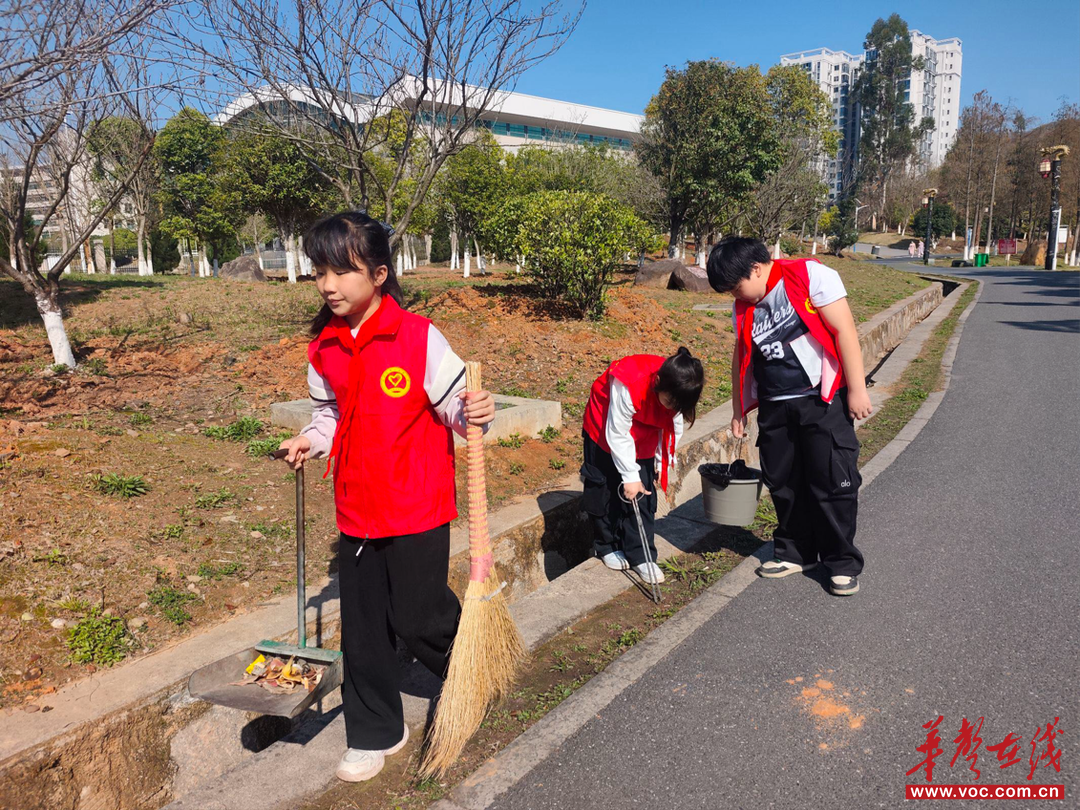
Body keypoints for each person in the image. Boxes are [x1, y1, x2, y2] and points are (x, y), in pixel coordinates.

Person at [276, 211, 496, 782]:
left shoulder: (418, 337)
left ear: (378, 275)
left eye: (341, 271)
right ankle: (375, 730)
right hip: (357, 507)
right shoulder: (323, 348)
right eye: (319, 272)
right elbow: (331, 415)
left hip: (417, 502)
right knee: (365, 626)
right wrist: (308, 440)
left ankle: (470, 671)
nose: (328, 285)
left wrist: (473, 411)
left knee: (419, 615)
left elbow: (454, 407)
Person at [705, 237, 872, 597]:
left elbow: (844, 329)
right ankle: (796, 553)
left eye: (735, 287)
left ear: (756, 268)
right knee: (783, 481)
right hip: (774, 405)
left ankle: (841, 562)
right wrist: (738, 408)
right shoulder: (742, 307)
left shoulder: (808, 276)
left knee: (831, 481)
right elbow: (741, 356)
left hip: (820, 400)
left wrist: (857, 389)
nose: (735, 296)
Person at [580, 349, 704, 583]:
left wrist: (661, 459)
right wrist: (629, 476)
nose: (671, 409)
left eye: (676, 406)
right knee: (605, 486)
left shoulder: (679, 391)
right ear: (658, 383)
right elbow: (618, 432)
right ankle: (607, 546)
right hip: (605, 424)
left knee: (643, 493)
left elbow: (673, 427)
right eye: (669, 402)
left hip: (646, 431)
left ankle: (641, 555)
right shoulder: (629, 381)